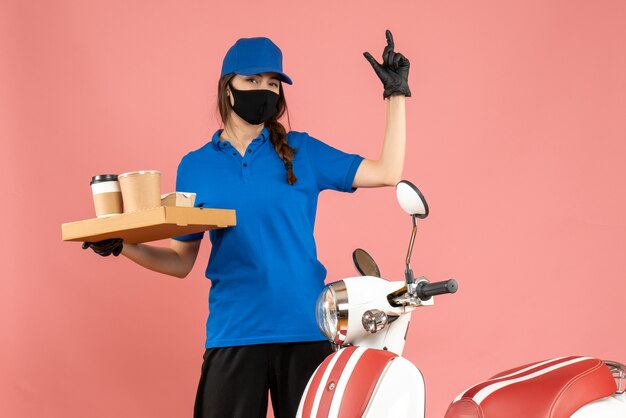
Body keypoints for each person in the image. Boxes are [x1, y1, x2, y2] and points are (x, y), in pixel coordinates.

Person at [83, 30, 411, 418]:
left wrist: (396, 96)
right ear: (228, 88)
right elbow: (180, 262)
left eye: (273, 83)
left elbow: (388, 172)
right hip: (234, 332)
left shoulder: (303, 151)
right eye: (252, 81)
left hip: (306, 329)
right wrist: (124, 245)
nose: (264, 90)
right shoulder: (196, 165)